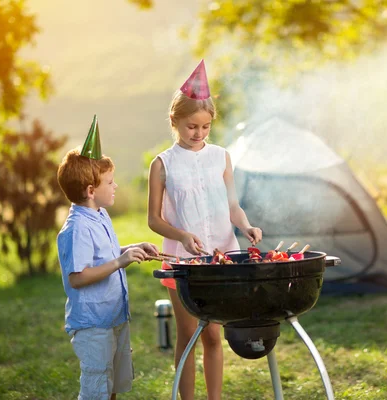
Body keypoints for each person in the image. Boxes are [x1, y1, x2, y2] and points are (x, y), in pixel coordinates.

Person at [147, 60, 262, 400]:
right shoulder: (162, 164)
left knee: (213, 335)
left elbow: (233, 206)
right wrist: (182, 235)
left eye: (205, 127)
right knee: (187, 335)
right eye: (191, 127)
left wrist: (246, 226)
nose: (198, 133)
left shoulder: (221, 157)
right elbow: (153, 220)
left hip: (220, 260)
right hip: (183, 264)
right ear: (175, 121)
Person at [57, 115, 159, 400]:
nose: (115, 186)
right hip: (93, 324)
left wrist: (129, 249)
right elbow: (78, 277)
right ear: (91, 191)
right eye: (110, 182)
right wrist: (119, 263)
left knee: (112, 385)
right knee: (96, 388)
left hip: (113, 316)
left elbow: (104, 255)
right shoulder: (76, 228)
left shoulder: (99, 216)